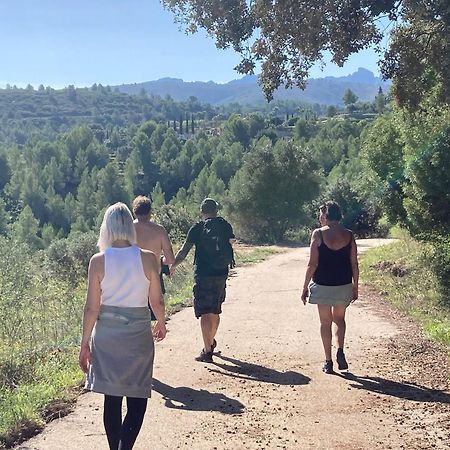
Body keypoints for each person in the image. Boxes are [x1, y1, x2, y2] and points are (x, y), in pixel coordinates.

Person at [79, 202, 166, 450]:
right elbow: (156, 301)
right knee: (138, 398)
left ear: (106, 228)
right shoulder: (148, 259)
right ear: (130, 226)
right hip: (138, 334)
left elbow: (91, 308)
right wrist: (160, 321)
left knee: (112, 399)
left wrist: (84, 343)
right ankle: (124, 447)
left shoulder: (98, 261)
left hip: (107, 336)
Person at [171, 198, 235, 363]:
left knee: (205, 313)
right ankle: (211, 341)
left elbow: (184, 251)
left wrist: (173, 264)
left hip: (203, 274)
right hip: (221, 273)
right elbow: (232, 243)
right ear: (216, 210)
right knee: (215, 310)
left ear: (202, 211)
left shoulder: (197, 229)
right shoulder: (225, 225)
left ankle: (207, 351)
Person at [300, 201, 359, 374]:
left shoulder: (317, 234)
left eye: (320, 214)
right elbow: (354, 263)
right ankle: (340, 349)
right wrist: (355, 285)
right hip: (343, 283)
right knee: (339, 319)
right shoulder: (348, 235)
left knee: (325, 322)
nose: (319, 218)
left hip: (323, 283)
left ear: (325, 215)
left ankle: (328, 361)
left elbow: (312, 264)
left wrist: (304, 287)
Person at [132, 195, 175, 317]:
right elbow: (170, 259)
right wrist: (160, 260)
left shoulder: (128, 230)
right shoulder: (159, 230)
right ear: (150, 211)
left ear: (134, 211)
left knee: (136, 317)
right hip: (154, 276)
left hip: (132, 279)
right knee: (157, 314)